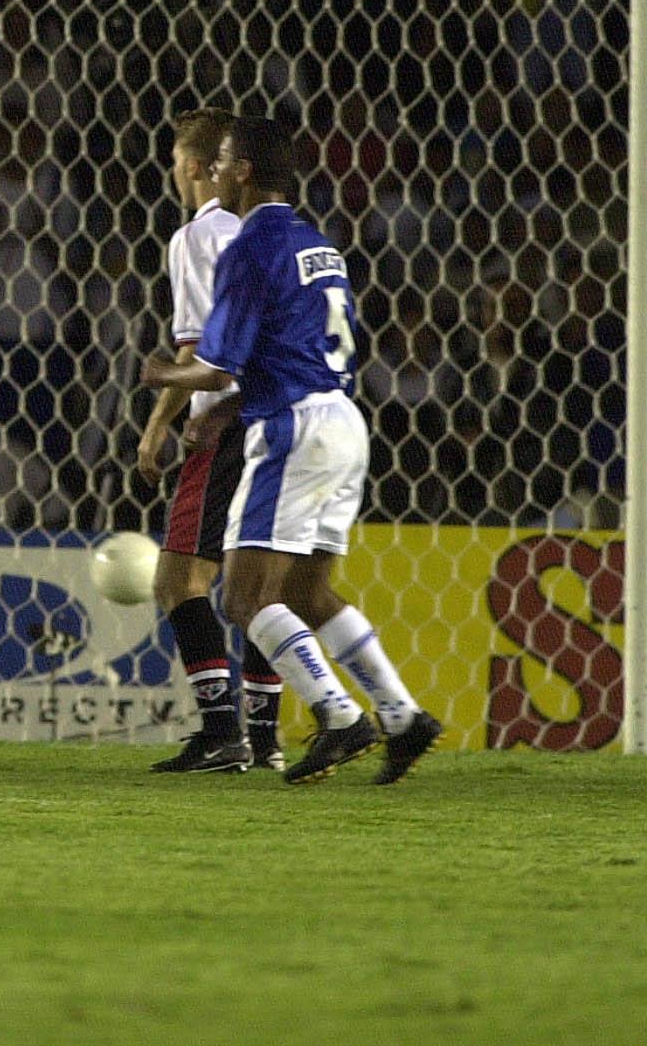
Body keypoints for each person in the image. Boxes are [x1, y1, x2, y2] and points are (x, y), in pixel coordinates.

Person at [143, 116, 442, 785]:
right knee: (309, 593)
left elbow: (217, 363)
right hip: (344, 421)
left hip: (292, 428)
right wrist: (222, 405)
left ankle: (337, 716)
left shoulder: (249, 246)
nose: (210, 175)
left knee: (243, 599)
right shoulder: (318, 244)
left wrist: (167, 379)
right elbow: (289, 347)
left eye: (219, 164)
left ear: (242, 170)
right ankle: (401, 714)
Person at [136, 108, 285, 774]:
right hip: (283, 420)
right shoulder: (264, 235)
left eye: (174, 162)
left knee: (178, 581)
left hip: (225, 419)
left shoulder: (198, 236)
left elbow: (198, 343)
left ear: (194, 166)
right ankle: (265, 735)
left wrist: (155, 426)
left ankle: (222, 728)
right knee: (262, 587)